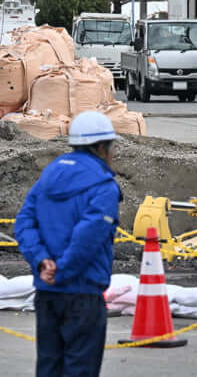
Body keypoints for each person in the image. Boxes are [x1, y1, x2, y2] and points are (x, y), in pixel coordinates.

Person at [15, 111, 122, 377]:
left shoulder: (50, 175)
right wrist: (62, 271)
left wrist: (42, 261)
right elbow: (88, 236)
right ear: (101, 148)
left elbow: (24, 223)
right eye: (111, 147)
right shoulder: (103, 186)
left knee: (49, 366)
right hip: (83, 292)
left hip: (46, 292)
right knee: (80, 367)